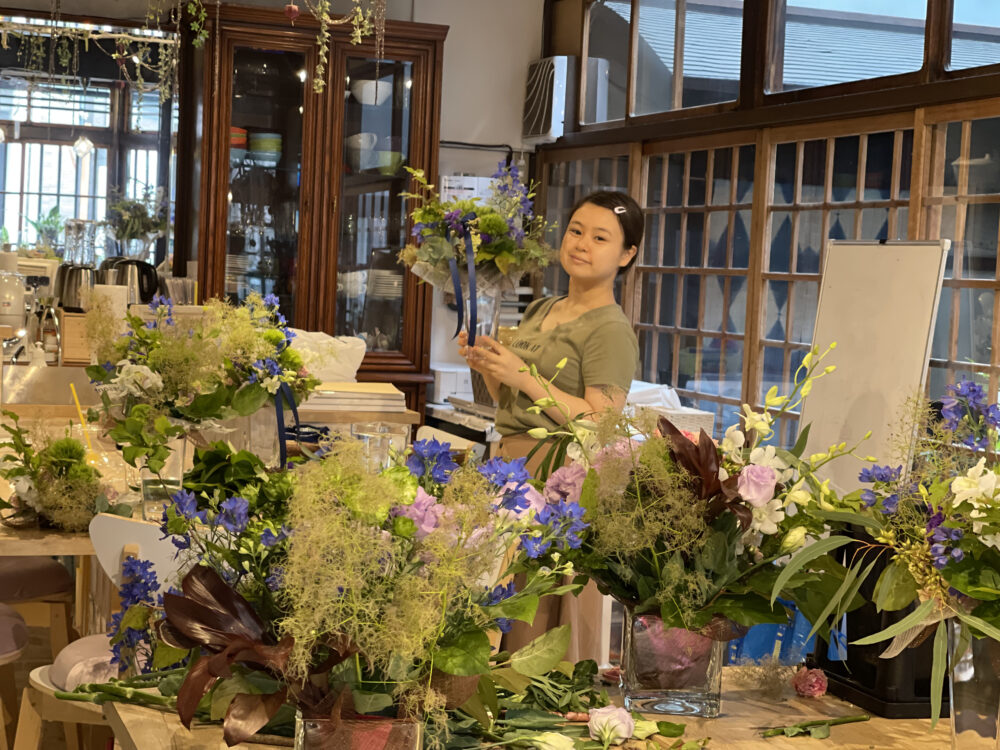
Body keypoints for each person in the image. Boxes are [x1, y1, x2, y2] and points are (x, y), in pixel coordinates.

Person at [458, 190, 643, 663]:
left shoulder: (610, 330)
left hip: (558, 477)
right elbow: (511, 400)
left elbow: (600, 421)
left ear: (626, 255)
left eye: (600, 238)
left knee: (534, 612)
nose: (581, 243)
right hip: (509, 465)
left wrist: (523, 375)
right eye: (576, 230)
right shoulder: (541, 309)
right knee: (494, 600)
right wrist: (489, 366)